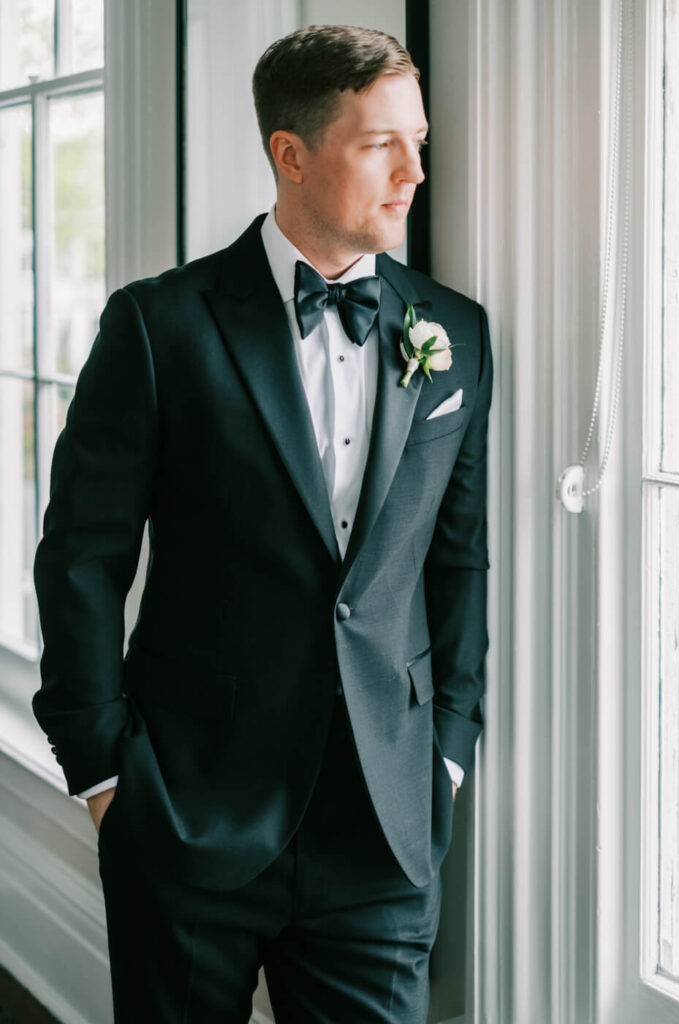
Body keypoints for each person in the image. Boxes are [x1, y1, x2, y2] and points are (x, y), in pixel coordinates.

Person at [32, 23, 492, 1024]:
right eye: (382, 144)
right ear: (291, 153)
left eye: (419, 140)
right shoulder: (159, 326)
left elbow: (458, 561)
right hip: (189, 815)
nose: (415, 170)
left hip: (382, 832)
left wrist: (447, 752)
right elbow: (82, 557)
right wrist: (105, 772)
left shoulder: (454, 333)